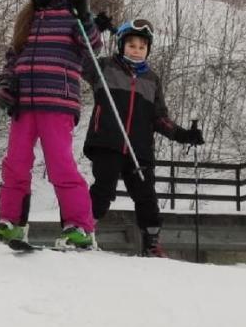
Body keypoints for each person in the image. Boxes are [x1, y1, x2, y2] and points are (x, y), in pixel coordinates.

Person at [0, 0, 101, 250]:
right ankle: (11, 222)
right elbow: (13, 58)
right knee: (15, 162)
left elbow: (93, 47)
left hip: (57, 101)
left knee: (60, 163)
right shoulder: (27, 17)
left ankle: (79, 226)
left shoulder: (71, 14)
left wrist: (84, 15)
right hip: (24, 103)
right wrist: (6, 87)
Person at [83, 18, 204, 257]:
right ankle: (84, 231)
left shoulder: (151, 80)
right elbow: (80, 57)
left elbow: (160, 118)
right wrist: (94, 28)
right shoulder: (105, 67)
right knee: (103, 190)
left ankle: (151, 242)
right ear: (121, 46)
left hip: (139, 148)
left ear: (147, 50)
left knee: (146, 195)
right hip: (107, 142)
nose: (136, 51)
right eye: (131, 45)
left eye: (141, 47)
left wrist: (183, 135)